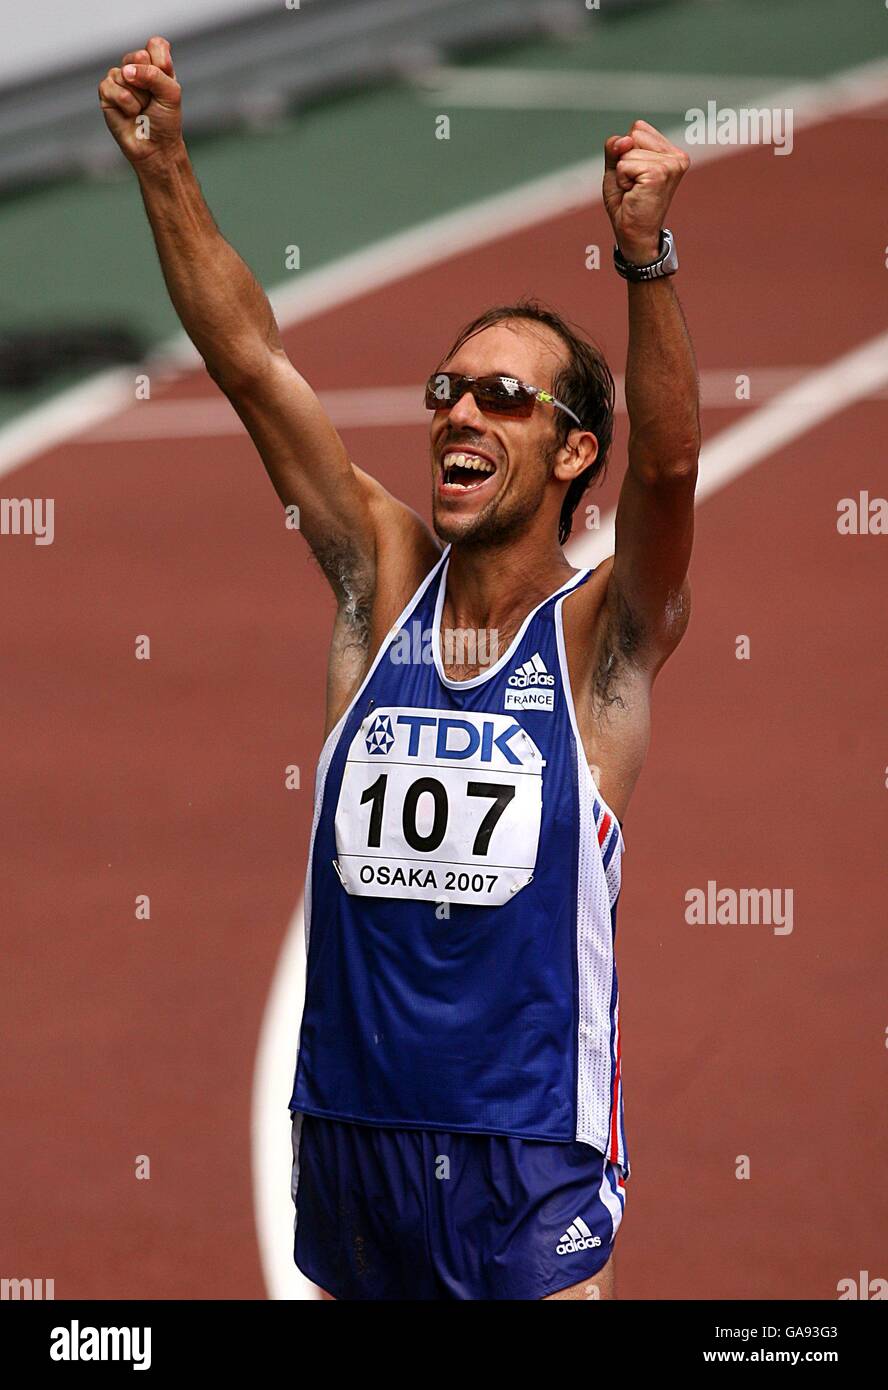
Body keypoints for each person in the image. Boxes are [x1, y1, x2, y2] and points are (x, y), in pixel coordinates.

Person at [100, 35, 699, 1301]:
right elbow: (254, 365)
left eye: (503, 397)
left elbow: (669, 476)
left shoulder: (602, 642)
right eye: (446, 390)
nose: (459, 414)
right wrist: (164, 168)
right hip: (355, 1139)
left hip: (524, 1154)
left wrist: (643, 259)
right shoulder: (379, 589)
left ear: (574, 451)